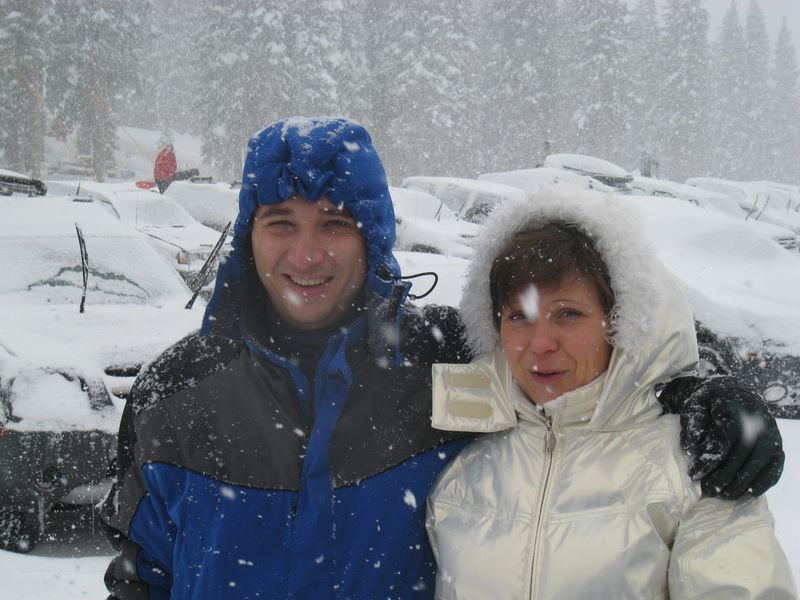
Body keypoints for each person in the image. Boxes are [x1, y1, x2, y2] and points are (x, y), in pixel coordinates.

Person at [101, 117, 785, 599]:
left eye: (334, 223)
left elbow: (606, 362)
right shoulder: (175, 391)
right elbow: (140, 576)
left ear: (372, 237)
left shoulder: (441, 361)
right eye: (281, 223)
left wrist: (707, 393)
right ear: (248, 235)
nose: (306, 255)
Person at [425, 187, 796, 598]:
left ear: (621, 322)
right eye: (518, 316)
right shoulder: (462, 470)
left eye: (568, 313)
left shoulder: (693, 466)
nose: (540, 342)